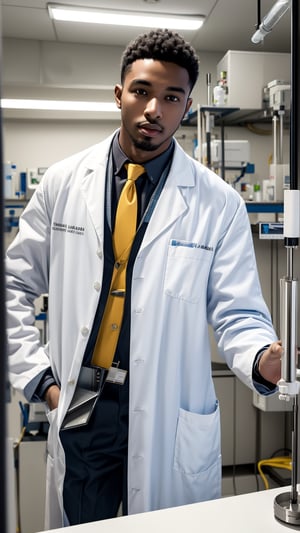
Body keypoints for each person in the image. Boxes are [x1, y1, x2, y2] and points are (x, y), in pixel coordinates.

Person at [6, 29, 282, 529]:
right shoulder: (64, 183)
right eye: (142, 92)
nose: (154, 109)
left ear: (187, 106)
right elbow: (13, 286)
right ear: (119, 94)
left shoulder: (219, 204)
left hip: (165, 401)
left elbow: (238, 310)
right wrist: (41, 381)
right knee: (80, 519)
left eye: (171, 97)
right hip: (84, 391)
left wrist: (264, 357)